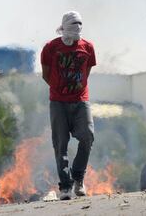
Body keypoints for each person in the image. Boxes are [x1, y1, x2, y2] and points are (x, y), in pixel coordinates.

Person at [41, 11, 96, 200]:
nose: (73, 38)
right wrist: (60, 90)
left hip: (81, 101)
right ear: (63, 29)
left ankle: (78, 178)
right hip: (58, 103)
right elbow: (45, 74)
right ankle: (65, 187)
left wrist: (75, 90)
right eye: (71, 31)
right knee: (60, 143)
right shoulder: (50, 48)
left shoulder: (88, 47)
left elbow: (86, 72)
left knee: (87, 136)